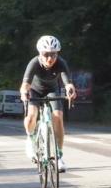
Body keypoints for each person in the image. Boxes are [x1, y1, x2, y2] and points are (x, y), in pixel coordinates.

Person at [20, 35, 77, 172]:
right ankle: (30, 139)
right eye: (46, 55)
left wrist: (70, 89)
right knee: (32, 115)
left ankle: (59, 155)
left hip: (52, 90)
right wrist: (24, 93)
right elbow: (25, 85)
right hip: (35, 91)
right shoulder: (34, 63)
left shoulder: (61, 63)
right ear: (40, 53)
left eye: (53, 54)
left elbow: (67, 82)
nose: (50, 58)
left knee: (58, 117)